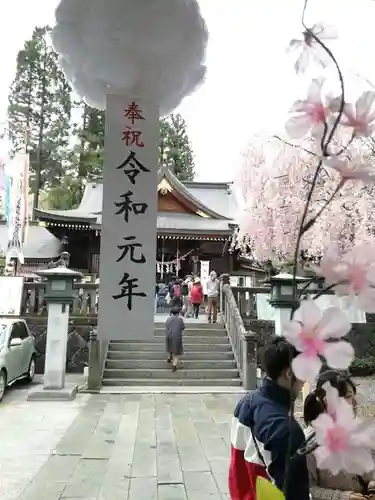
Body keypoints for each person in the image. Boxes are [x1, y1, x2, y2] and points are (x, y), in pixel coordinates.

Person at [229, 337, 309, 500]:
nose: (305, 379)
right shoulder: (287, 431)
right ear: (289, 373)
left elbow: (236, 470)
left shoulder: (246, 402)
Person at [303, 370, 375, 500]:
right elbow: (307, 489)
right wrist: (343, 497)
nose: (355, 404)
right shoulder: (310, 444)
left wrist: (371, 482)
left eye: (353, 396)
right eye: (348, 397)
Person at [165, 306, 185, 372]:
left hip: (168, 335)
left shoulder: (168, 319)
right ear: (178, 313)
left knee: (169, 347)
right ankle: (174, 365)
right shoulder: (180, 319)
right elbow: (182, 327)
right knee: (176, 352)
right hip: (176, 337)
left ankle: (169, 357)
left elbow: (166, 326)